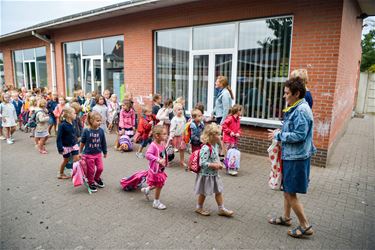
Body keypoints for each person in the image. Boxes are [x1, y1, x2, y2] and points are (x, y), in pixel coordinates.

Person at [267, 77, 316, 238]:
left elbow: (300, 135)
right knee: (287, 189)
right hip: (292, 155)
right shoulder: (297, 107)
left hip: (296, 157)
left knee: (290, 193)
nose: (284, 96)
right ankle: (287, 218)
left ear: (297, 93)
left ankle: (305, 225)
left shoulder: (301, 110)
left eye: (287, 93)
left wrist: (279, 135)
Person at [194, 123, 234, 217]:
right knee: (203, 192)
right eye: (218, 134)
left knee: (218, 191)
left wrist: (220, 142)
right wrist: (215, 165)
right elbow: (202, 163)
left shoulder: (214, 145)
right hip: (206, 175)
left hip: (214, 174)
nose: (220, 136)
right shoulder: (206, 148)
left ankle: (221, 209)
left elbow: (222, 152)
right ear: (211, 136)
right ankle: (199, 207)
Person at [141, 125, 168, 210]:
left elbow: (163, 153)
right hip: (155, 170)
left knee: (159, 183)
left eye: (166, 134)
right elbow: (148, 155)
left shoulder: (162, 143)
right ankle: (156, 202)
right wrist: (158, 160)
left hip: (161, 168)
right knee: (160, 184)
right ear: (157, 135)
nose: (166, 135)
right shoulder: (153, 145)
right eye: (164, 134)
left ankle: (147, 189)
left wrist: (166, 160)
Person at [80, 111, 107, 193]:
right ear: (91, 121)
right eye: (97, 121)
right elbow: (82, 142)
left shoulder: (101, 131)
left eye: (100, 121)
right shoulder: (86, 131)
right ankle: (91, 182)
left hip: (98, 154)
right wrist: (80, 151)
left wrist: (105, 151)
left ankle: (97, 178)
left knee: (100, 168)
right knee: (91, 171)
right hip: (88, 154)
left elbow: (103, 142)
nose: (100, 122)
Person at [56, 107, 79, 179]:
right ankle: (61, 173)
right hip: (65, 146)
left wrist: (77, 137)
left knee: (76, 159)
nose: (76, 114)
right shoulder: (62, 125)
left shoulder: (74, 122)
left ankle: (75, 172)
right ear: (69, 115)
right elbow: (59, 138)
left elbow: (74, 132)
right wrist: (60, 148)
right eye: (74, 113)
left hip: (74, 144)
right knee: (66, 160)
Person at [168, 103, 187, 169]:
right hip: (174, 137)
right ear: (175, 111)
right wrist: (171, 137)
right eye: (178, 109)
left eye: (181, 109)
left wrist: (185, 134)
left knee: (182, 149)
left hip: (181, 136)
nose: (180, 111)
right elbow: (172, 129)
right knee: (171, 149)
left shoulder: (183, 118)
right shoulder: (174, 119)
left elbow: (185, 127)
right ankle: (168, 160)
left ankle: (182, 161)